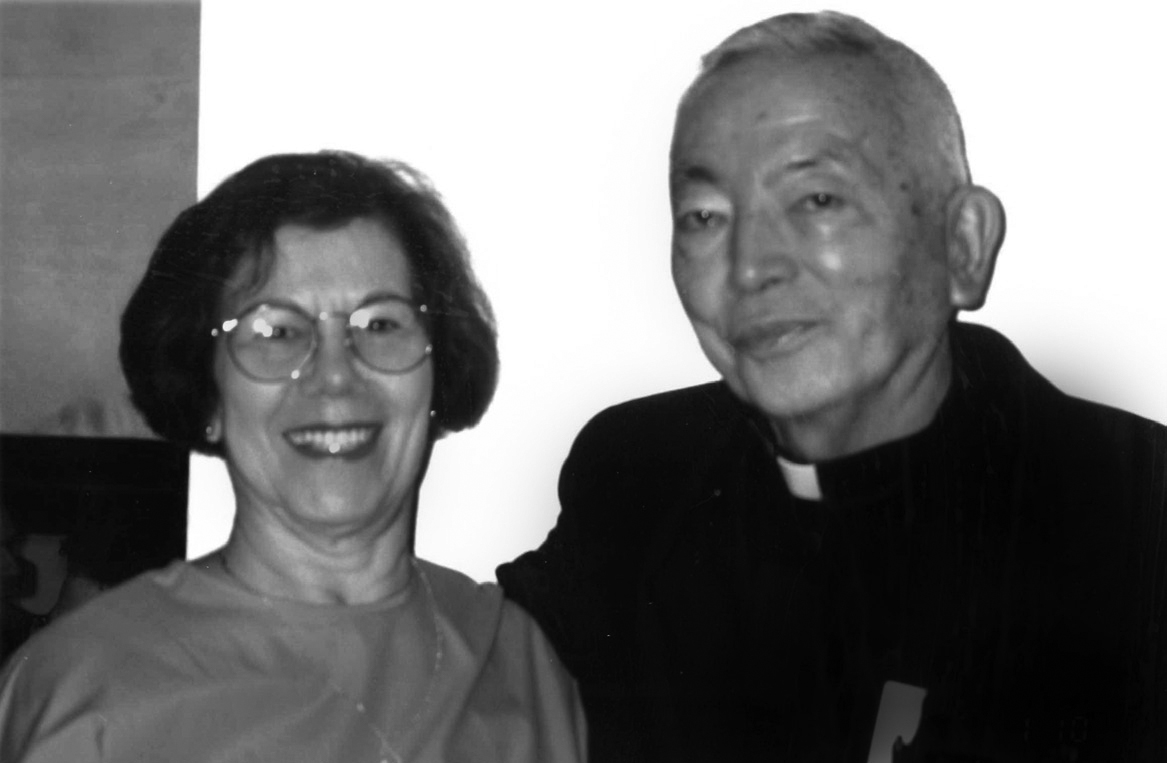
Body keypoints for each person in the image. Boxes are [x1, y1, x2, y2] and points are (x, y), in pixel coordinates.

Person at [497, 11, 1167, 763]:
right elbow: (468, 682)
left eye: (817, 200)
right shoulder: (638, 477)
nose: (750, 266)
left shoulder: (1136, 519)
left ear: (962, 245)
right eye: (705, 216)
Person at [0, 151, 586, 762]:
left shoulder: (518, 660)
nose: (335, 376)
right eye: (277, 332)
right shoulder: (84, 692)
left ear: (438, 375)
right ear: (208, 393)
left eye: (381, 325)